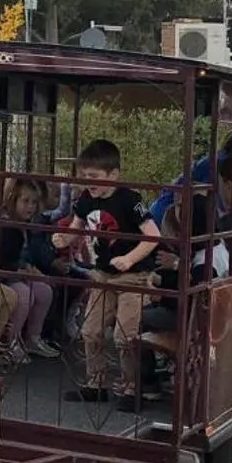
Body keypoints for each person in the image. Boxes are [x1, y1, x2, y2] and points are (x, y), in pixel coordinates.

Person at [58, 139, 165, 404]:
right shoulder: (85, 199)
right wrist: (64, 238)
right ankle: (96, 383)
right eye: (84, 176)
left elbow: (153, 235)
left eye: (94, 177)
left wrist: (130, 259)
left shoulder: (130, 200)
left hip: (133, 275)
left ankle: (131, 388)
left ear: (113, 175)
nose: (88, 182)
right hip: (103, 274)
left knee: (124, 334)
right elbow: (77, 225)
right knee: (90, 330)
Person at [0, 176, 54, 361]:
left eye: (34, 202)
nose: (30, 207)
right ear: (13, 200)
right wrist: (23, 271)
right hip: (2, 276)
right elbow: (0, 260)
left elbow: (23, 256)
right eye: (25, 201)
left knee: (45, 291)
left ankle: (33, 337)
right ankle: (10, 341)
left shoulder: (24, 226)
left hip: (17, 273)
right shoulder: (5, 227)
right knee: (25, 294)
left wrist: (29, 268)